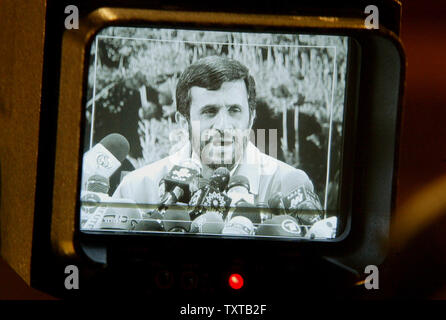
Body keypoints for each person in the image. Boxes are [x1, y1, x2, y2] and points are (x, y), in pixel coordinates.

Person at [113, 56, 314, 206]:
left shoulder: (288, 185)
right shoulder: (137, 188)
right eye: (209, 111)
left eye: (235, 110)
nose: (223, 126)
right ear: (183, 122)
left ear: (251, 118)